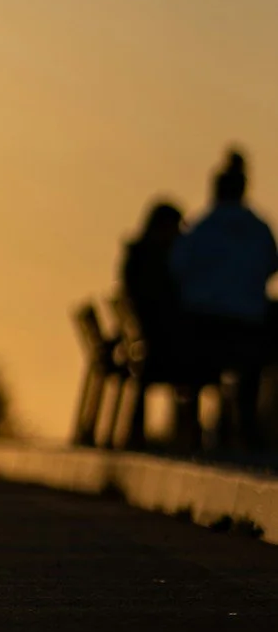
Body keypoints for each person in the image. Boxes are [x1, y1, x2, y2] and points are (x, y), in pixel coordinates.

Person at [170, 151, 277, 453]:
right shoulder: (259, 229)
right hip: (248, 328)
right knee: (249, 374)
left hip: (203, 327)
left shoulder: (200, 229)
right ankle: (246, 434)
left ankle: (192, 434)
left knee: (195, 374)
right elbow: (271, 265)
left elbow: (177, 269)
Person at [117, 200, 184, 445]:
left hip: (144, 340)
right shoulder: (154, 263)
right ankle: (186, 436)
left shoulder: (137, 257)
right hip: (153, 343)